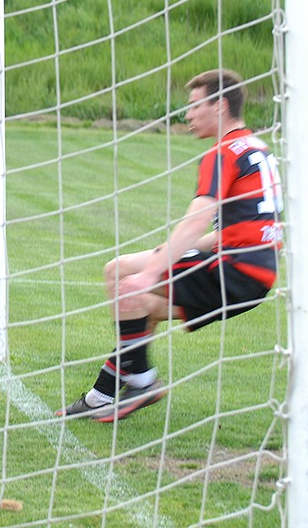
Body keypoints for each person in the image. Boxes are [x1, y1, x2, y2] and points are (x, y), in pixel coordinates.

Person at [56, 69, 283, 423]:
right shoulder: (258, 147)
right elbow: (238, 226)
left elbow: (199, 216)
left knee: (128, 287)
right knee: (131, 290)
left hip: (234, 267)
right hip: (256, 273)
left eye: (194, 106)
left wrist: (151, 272)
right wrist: (165, 253)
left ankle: (143, 384)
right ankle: (102, 394)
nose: (188, 115)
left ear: (220, 106)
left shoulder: (222, 153)